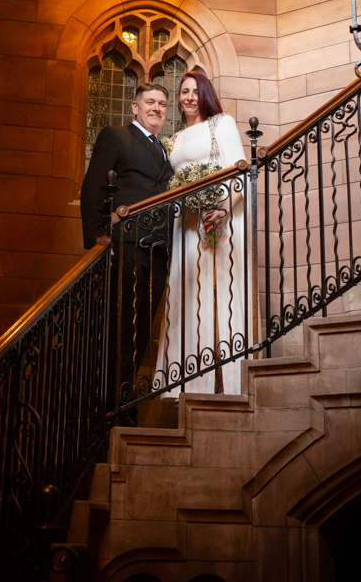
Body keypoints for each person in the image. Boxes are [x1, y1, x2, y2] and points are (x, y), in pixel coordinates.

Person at [81, 82, 173, 422]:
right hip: (126, 245)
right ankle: (112, 404)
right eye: (150, 102)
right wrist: (97, 244)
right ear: (134, 108)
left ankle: (121, 398)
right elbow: (92, 189)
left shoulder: (165, 149)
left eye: (162, 104)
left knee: (142, 325)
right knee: (122, 326)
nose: (156, 108)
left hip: (159, 248)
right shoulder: (116, 136)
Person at [155, 72, 248, 396]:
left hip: (217, 220)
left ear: (205, 94)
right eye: (184, 91)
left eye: (195, 91)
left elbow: (239, 168)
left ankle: (225, 382)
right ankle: (187, 383)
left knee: (218, 294)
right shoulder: (175, 137)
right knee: (186, 296)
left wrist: (222, 209)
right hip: (186, 225)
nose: (189, 97)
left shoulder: (221, 123)